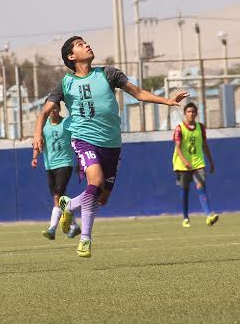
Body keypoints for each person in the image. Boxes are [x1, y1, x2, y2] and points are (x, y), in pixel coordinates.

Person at [33, 36, 189, 258]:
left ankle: (69, 205)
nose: (87, 45)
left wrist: (168, 101)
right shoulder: (65, 83)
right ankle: (85, 239)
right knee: (94, 181)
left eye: (86, 42)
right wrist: (38, 134)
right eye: (80, 44)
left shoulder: (108, 74)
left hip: (112, 144)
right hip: (83, 140)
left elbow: (138, 93)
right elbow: (44, 112)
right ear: (71, 56)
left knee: (101, 197)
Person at [31, 101, 81, 240]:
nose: (52, 111)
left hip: (65, 163)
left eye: (55, 108)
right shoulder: (43, 127)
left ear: (59, 109)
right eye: (50, 109)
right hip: (49, 165)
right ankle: (74, 226)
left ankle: (52, 229)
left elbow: (76, 141)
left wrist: (80, 160)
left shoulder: (67, 124)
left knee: (57, 197)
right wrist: (35, 157)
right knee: (61, 197)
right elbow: (37, 142)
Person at [172, 102, 219, 228]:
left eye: (193, 112)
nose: (191, 114)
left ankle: (209, 215)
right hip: (182, 166)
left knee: (201, 187)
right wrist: (185, 161)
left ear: (196, 113)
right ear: (185, 114)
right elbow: (178, 148)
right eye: (188, 112)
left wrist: (211, 161)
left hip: (198, 163)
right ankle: (185, 218)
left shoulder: (201, 128)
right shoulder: (179, 128)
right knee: (184, 191)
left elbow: (204, 145)